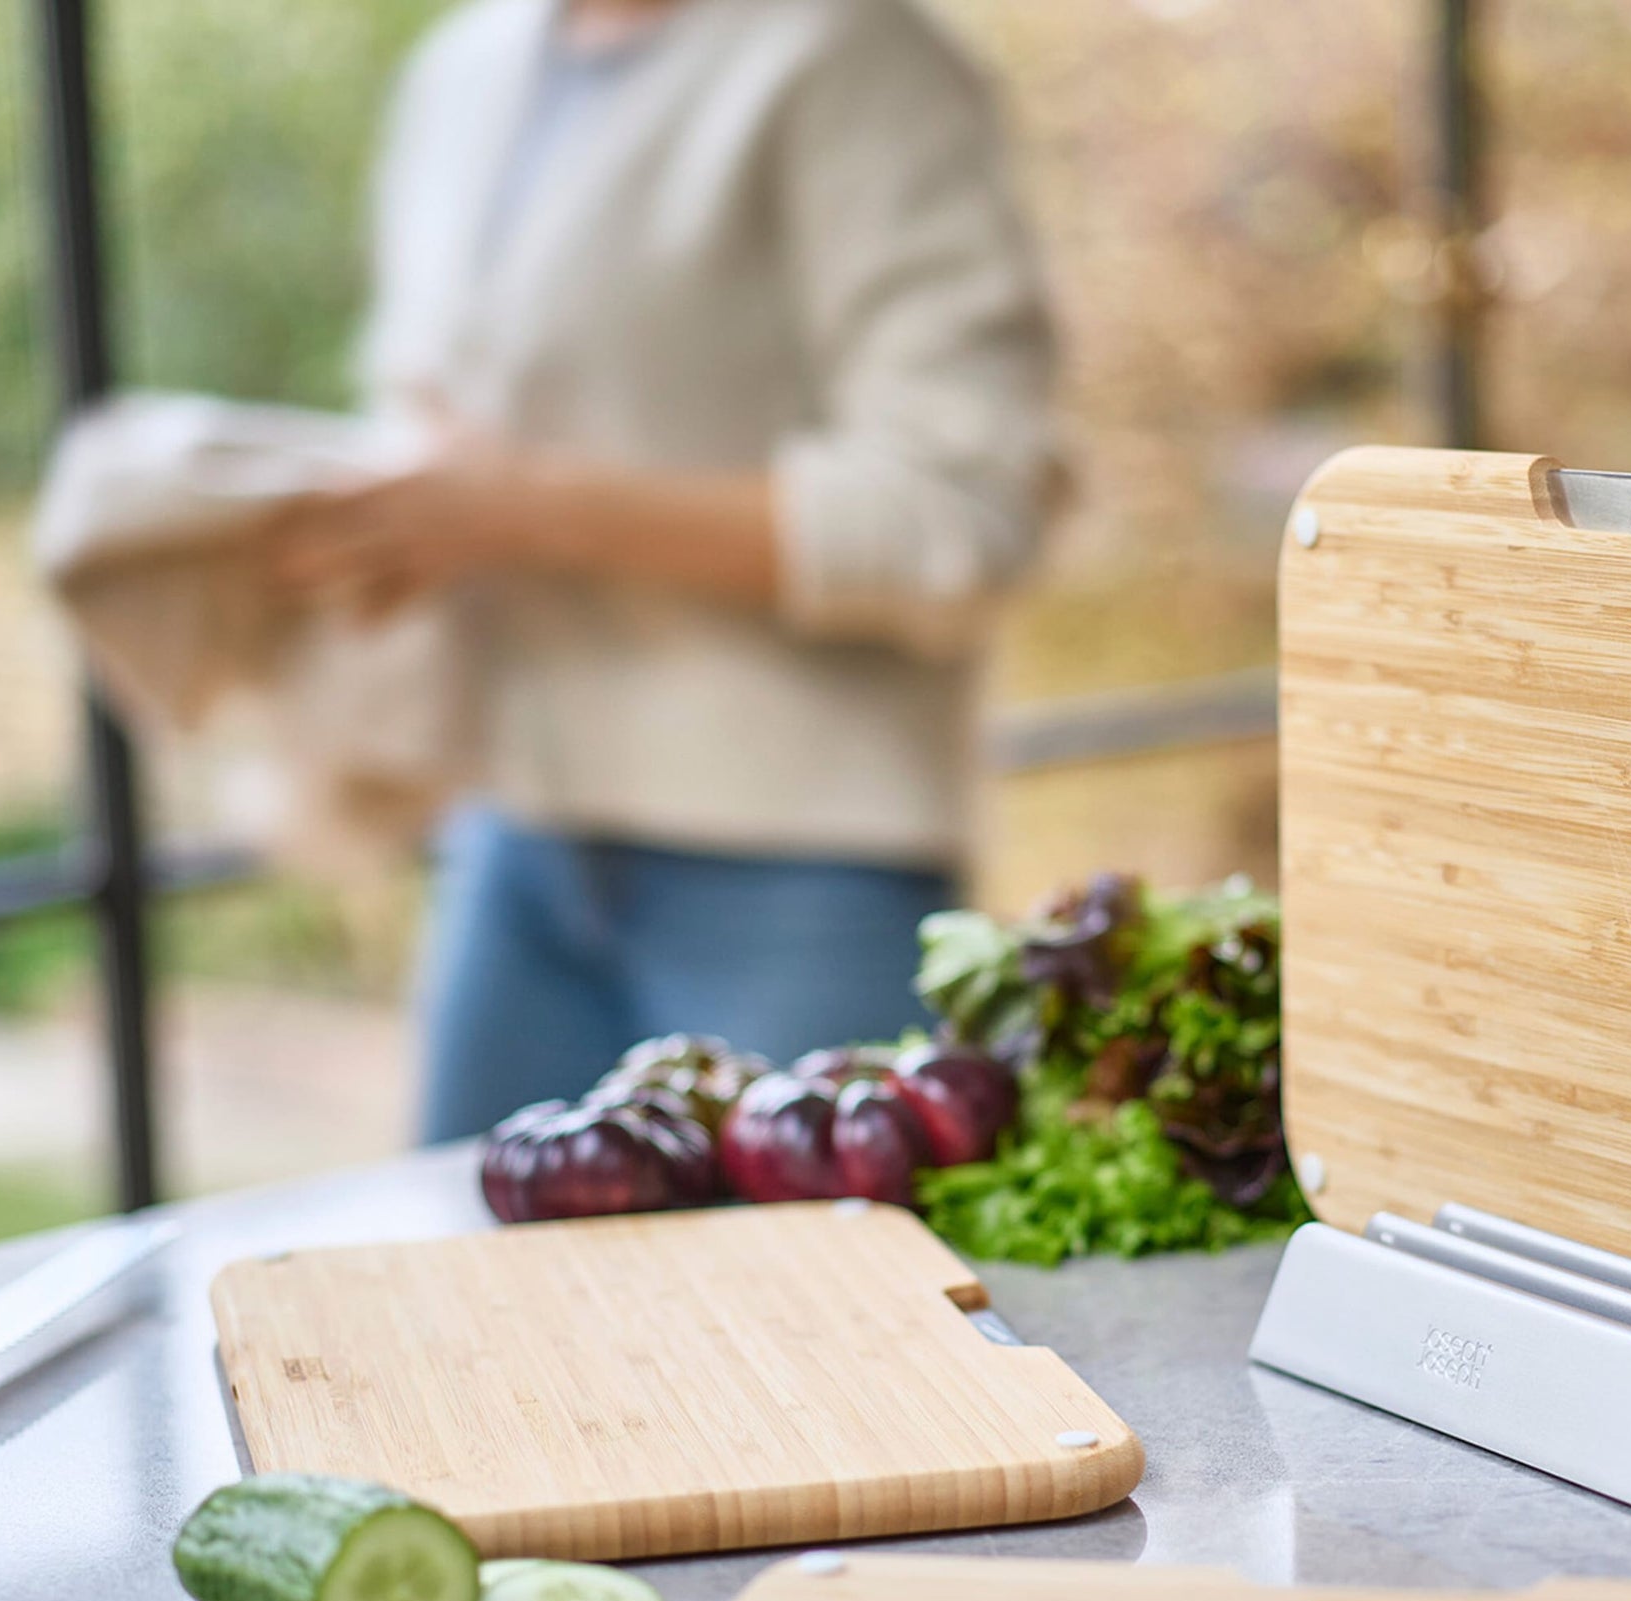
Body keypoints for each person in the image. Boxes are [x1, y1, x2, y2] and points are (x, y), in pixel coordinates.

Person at [268, 0, 1062, 1141]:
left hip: (800, 868)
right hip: (512, 839)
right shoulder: (463, 68)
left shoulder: (857, 61)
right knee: (464, 1294)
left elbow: (962, 512)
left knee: (817, 1314)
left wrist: (528, 510)